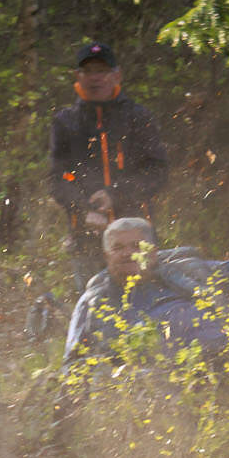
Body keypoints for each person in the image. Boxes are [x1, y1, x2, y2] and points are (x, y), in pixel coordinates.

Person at [50, 41, 168, 292]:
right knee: (95, 304)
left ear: (116, 75)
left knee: (145, 302)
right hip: (87, 237)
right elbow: (58, 178)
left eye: (101, 71)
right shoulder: (65, 121)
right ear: (78, 76)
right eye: (88, 71)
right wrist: (83, 209)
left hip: (137, 236)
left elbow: (157, 172)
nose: (95, 78)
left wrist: (116, 194)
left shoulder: (138, 116)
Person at [64, 217, 229, 371]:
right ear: (106, 256)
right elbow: (73, 364)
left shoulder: (185, 270)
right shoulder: (93, 301)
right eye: (118, 248)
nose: (128, 253)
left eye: (136, 246)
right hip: (159, 382)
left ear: (153, 252)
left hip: (228, 363)